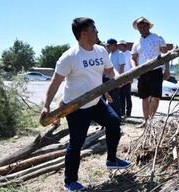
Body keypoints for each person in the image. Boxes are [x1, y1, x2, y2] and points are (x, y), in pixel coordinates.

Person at [40, 17, 131, 192]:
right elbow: (55, 82)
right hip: (75, 107)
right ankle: (70, 181)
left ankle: (112, 159)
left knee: (114, 122)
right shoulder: (70, 57)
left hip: (96, 101)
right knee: (77, 143)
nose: (97, 32)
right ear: (83, 34)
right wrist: (47, 105)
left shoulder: (101, 51)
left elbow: (109, 71)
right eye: (94, 29)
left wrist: (117, 79)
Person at [130, 16, 170, 127]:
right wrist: (134, 68)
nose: (142, 27)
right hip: (142, 72)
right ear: (137, 28)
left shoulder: (157, 38)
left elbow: (165, 54)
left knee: (156, 96)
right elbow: (133, 58)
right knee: (144, 97)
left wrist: (167, 70)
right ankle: (146, 121)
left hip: (156, 70)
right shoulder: (136, 42)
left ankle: (150, 121)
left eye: (144, 25)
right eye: (139, 26)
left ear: (148, 26)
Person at [106, 38, 125, 119]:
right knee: (110, 100)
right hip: (109, 80)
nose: (108, 47)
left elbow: (122, 66)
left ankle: (118, 117)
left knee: (116, 100)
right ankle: (111, 117)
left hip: (116, 80)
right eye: (107, 45)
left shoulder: (120, 53)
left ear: (114, 45)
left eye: (109, 45)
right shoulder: (109, 55)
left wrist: (120, 80)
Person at [118, 40, 133, 118]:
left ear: (124, 45)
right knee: (121, 96)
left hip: (128, 77)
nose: (118, 46)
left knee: (128, 96)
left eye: (120, 45)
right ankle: (122, 112)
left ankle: (128, 112)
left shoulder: (130, 54)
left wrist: (132, 77)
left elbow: (132, 66)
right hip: (120, 77)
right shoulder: (119, 54)